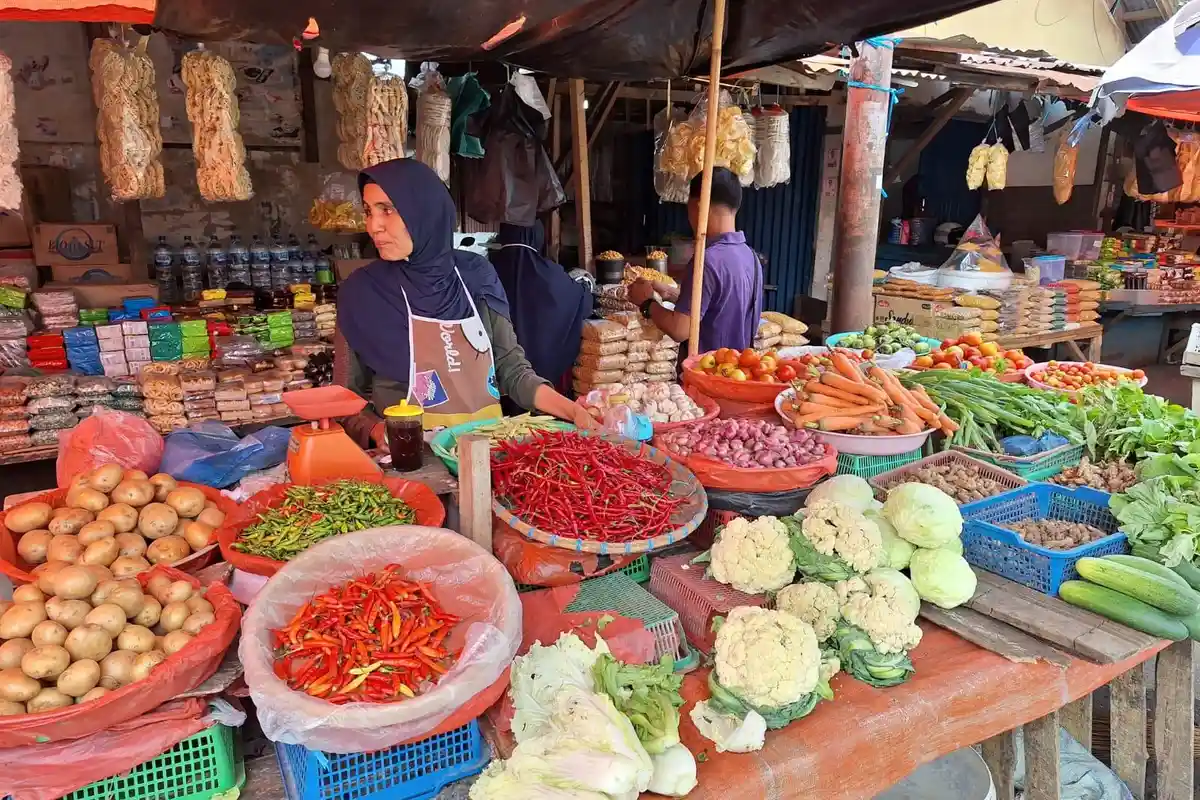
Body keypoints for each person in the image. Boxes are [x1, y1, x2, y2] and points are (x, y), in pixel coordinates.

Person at [333, 158, 593, 447]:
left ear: (424, 212)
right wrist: (376, 430)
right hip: (415, 462)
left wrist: (572, 411)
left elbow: (511, 368)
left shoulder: (476, 275)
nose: (373, 226)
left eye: (388, 210)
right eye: (369, 211)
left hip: (492, 455)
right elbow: (344, 399)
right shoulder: (361, 293)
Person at [628, 167, 762, 355]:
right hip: (736, 373)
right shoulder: (751, 257)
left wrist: (647, 303)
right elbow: (719, 306)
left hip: (705, 377)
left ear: (697, 206)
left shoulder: (705, 261)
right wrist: (672, 294)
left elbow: (680, 329)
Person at [488, 221, 592, 388]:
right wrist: (586, 283)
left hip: (496, 374)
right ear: (537, 237)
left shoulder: (486, 269)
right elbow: (581, 300)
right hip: (542, 375)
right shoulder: (551, 273)